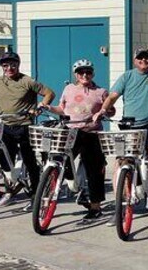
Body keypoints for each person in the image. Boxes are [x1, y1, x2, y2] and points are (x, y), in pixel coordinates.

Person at [0, 51, 55, 211]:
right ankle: (9, 193)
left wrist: (40, 106)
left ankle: (35, 196)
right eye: (6, 65)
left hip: (25, 126)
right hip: (6, 125)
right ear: (2, 67)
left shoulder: (27, 81)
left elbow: (49, 93)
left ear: (18, 65)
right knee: (4, 159)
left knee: (30, 162)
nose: (9, 68)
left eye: (13, 65)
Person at [94, 48, 148, 213]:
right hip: (130, 124)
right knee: (124, 159)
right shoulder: (127, 76)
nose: (143, 60)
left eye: (147, 57)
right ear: (134, 60)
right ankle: (124, 197)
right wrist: (102, 110)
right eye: (140, 58)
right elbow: (112, 97)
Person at [47, 59, 111, 223]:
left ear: (93, 74)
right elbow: (61, 108)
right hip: (71, 131)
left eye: (88, 72)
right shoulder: (69, 89)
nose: (85, 75)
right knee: (61, 160)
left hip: (92, 133)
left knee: (94, 171)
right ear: (76, 74)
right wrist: (49, 108)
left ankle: (95, 207)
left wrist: (104, 112)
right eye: (81, 72)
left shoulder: (100, 91)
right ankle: (73, 189)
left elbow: (110, 110)